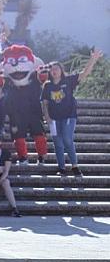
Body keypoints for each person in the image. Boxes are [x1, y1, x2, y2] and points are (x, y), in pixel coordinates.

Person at [42, 49, 102, 178]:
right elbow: (45, 103)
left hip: (69, 116)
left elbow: (84, 73)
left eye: (56, 68)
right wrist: (47, 117)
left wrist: (93, 59)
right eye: (52, 69)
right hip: (54, 118)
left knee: (67, 139)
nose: (54, 71)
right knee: (57, 143)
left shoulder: (68, 80)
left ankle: (75, 166)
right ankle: (61, 168)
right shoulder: (47, 86)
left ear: (61, 70)